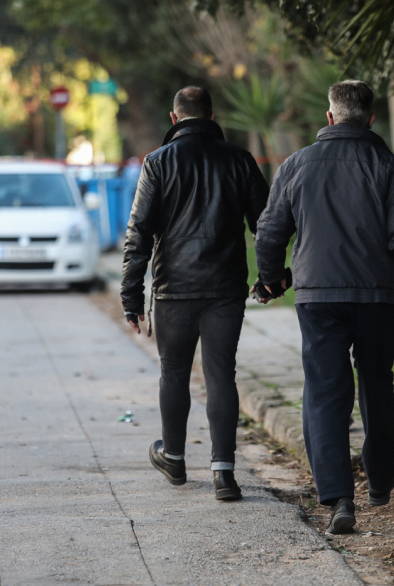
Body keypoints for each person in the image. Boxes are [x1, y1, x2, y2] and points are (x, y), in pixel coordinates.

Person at [253, 80, 394, 533]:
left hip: (317, 298)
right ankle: (379, 481)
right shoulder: (388, 166)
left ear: (330, 117)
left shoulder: (296, 164)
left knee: (324, 392)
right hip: (376, 296)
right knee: (377, 385)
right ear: (371, 120)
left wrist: (271, 277)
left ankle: (339, 499)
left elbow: (269, 229)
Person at [121, 86, 269, 501]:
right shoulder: (240, 160)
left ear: (174, 119)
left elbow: (139, 235)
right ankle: (224, 474)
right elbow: (267, 225)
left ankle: (174, 458)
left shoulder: (157, 163)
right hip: (225, 289)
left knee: (174, 373)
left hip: (174, 290)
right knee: (221, 373)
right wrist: (271, 275)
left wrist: (131, 296)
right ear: (212, 115)